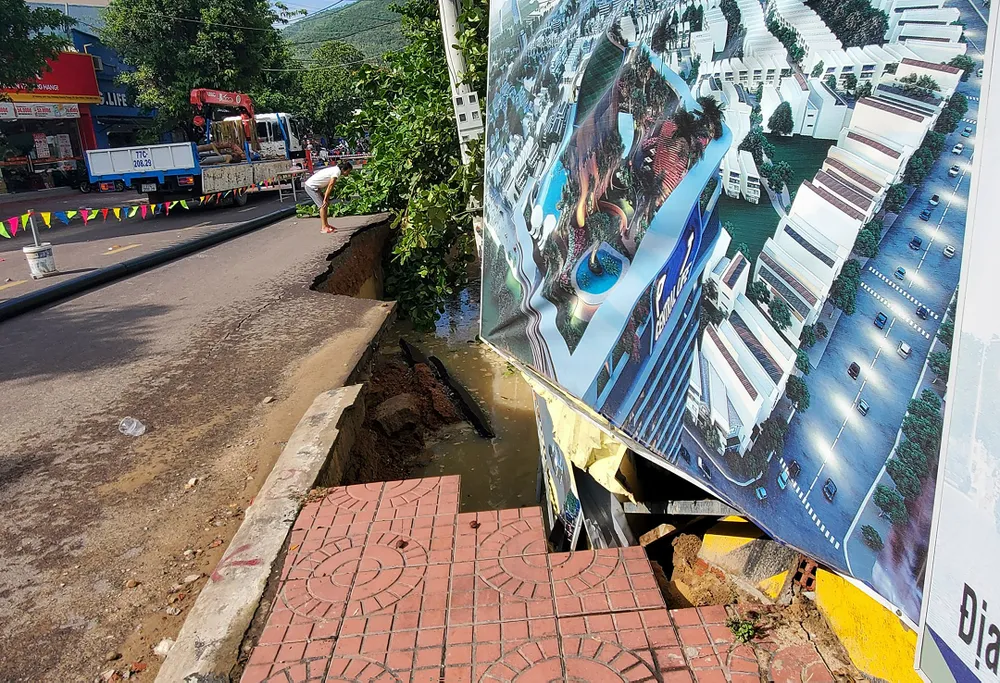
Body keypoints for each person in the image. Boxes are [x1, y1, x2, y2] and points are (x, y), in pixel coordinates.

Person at [303, 160, 353, 233]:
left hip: (316, 187)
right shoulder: (336, 172)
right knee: (322, 206)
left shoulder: (335, 169)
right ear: (343, 169)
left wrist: (325, 198)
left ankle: (326, 225)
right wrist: (325, 199)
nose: (348, 174)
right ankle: (323, 227)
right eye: (348, 171)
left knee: (325, 205)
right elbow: (330, 186)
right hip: (311, 187)